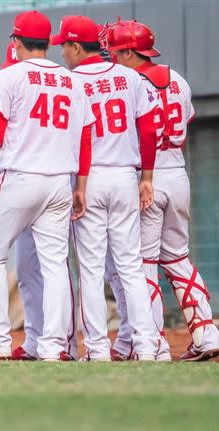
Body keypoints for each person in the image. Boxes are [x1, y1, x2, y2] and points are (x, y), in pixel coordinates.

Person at [0, 11, 94, 361]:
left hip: (20, 177)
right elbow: (84, 137)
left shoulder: (11, 74)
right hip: (59, 184)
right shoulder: (73, 81)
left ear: (16, 42)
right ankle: (53, 345)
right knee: (55, 265)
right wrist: (80, 185)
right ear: (50, 43)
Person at [106, 19, 219, 362]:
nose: (110, 57)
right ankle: (206, 332)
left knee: (144, 264)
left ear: (129, 52)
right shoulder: (180, 81)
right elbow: (184, 122)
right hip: (177, 173)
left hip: (147, 178)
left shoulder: (127, 82)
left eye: (114, 51)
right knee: (178, 258)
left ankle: (153, 340)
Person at [55, 15, 161, 361]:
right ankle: (147, 346)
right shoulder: (130, 76)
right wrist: (147, 177)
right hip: (125, 176)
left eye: (64, 47)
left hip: (87, 179)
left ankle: (98, 349)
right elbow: (147, 131)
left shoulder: (68, 82)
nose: (62, 54)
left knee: (90, 269)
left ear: (74, 46)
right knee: (131, 267)